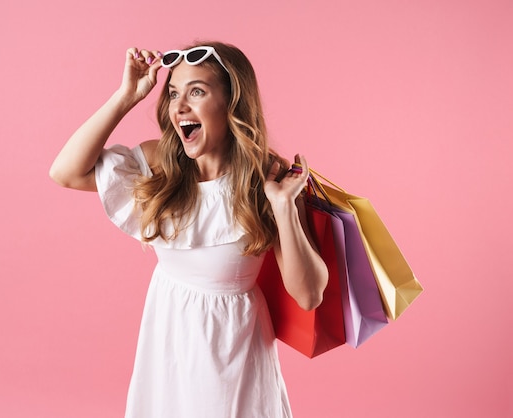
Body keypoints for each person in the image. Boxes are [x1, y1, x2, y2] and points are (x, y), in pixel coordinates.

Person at [49, 41, 328, 418]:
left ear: (232, 102)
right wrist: (125, 96)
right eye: (174, 93)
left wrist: (283, 207)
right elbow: (66, 172)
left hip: (234, 349)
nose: (179, 107)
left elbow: (309, 295)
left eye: (196, 91)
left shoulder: (268, 177)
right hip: (168, 340)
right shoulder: (159, 165)